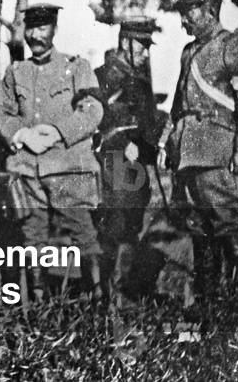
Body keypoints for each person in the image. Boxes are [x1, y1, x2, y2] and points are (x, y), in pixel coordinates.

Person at [159, 0, 238, 298]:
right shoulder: (188, 52)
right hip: (190, 152)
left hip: (221, 150)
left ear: (208, 8)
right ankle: (210, 300)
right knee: (199, 228)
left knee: (228, 224)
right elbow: (180, 105)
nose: (182, 20)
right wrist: (169, 142)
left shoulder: (232, 45)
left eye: (188, 12)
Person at [0, 5, 104, 299]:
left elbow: (92, 110)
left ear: (54, 29)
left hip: (68, 166)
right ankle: (40, 309)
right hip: (28, 169)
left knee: (83, 234)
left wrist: (57, 132)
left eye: (42, 29)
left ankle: (99, 305)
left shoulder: (76, 66)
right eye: (31, 29)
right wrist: (22, 133)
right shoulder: (17, 72)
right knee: (32, 238)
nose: (35, 36)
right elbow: (2, 113)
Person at [95, 17, 161, 299]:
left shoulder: (142, 81)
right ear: (125, 43)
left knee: (133, 224)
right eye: (141, 45)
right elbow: (96, 121)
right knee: (115, 226)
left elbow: (148, 123)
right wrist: (123, 141)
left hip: (137, 166)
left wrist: (147, 147)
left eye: (147, 46)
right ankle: (106, 293)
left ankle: (124, 292)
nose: (146, 52)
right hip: (111, 161)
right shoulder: (101, 76)